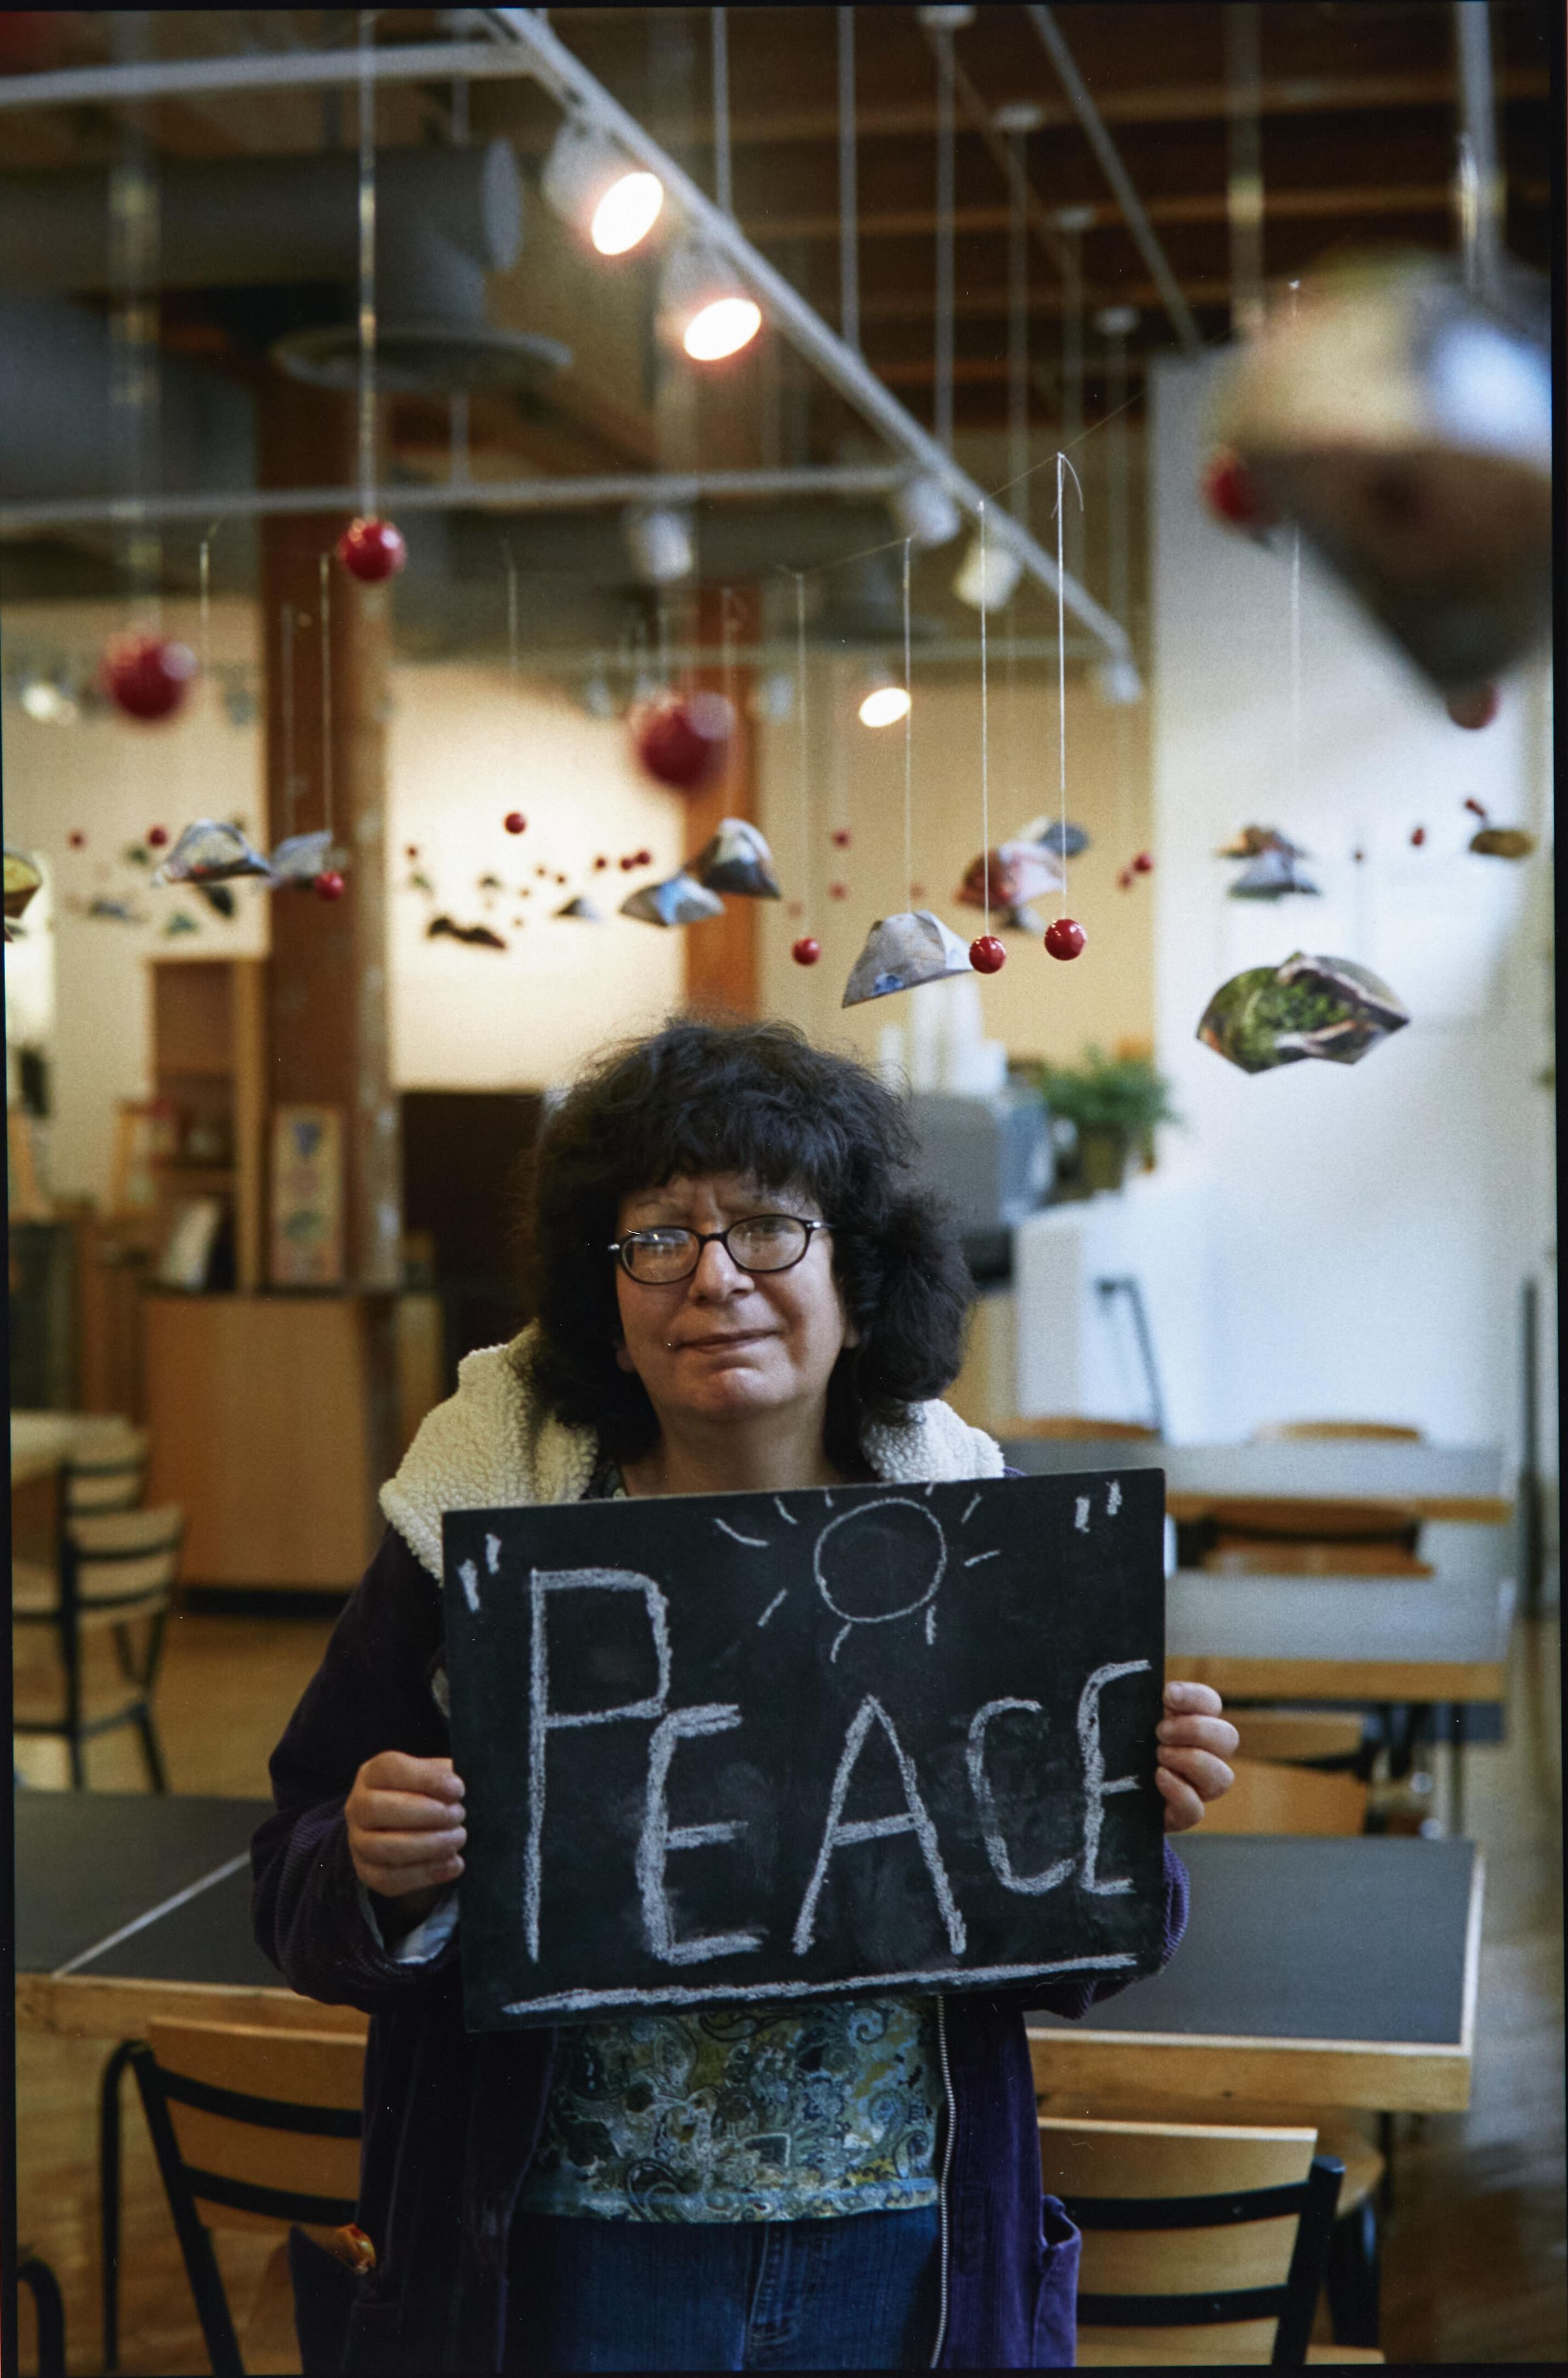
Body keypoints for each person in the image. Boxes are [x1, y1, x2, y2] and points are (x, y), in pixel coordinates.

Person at [253, 1019, 1237, 2375]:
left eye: (769, 1227)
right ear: (608, 1303)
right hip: (563, 2255)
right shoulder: (474, 1537)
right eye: (660, 1238)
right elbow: (294, 1862)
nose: (715, 1277)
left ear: (858, 1279)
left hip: (902, 2249)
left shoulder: (982, 1540)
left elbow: (1079, 1951)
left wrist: (1126, 1812)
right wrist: (374, 1868)